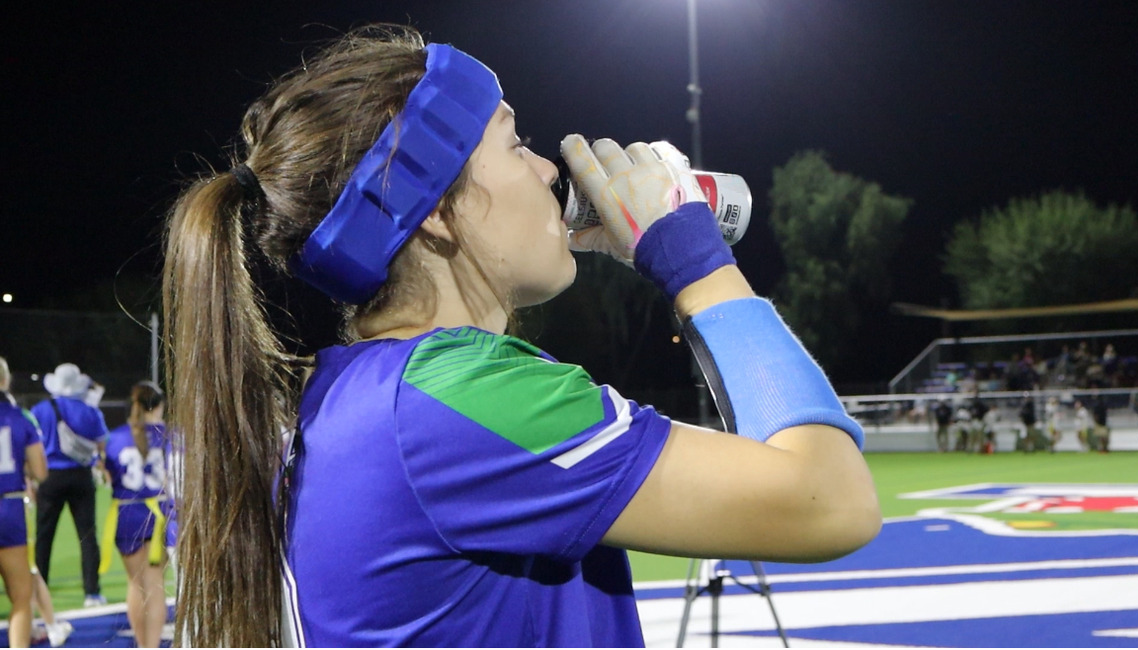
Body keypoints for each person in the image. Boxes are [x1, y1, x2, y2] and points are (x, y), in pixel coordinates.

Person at [162, 26, 880, 647]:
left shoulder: (362, 391)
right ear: (437, 209)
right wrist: (697, 260)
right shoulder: (460, 398)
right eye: (516, 143)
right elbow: (831, 500)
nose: (547, 171)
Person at [100, 381, 174, 647]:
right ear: (160, 405)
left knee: (135, 584)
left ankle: (142, 645)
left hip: (126, 513)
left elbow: (106, 473)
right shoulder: (170, 435)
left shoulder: (116, 436)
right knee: (154, 586)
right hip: (159, 514)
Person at [30, 362, 110, 607]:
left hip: (49, 477)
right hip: (81, 477)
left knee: (44, 536)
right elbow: (101, 446)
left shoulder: (40, 410)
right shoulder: (89, 410)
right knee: (87, 536)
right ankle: (92, 592)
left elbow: (31, 447)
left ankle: (39, 591)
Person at [1, 356, 49, 648]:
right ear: (5, 381)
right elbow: (40, 471)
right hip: (8, 507)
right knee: (20, 596)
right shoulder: (20, 417)